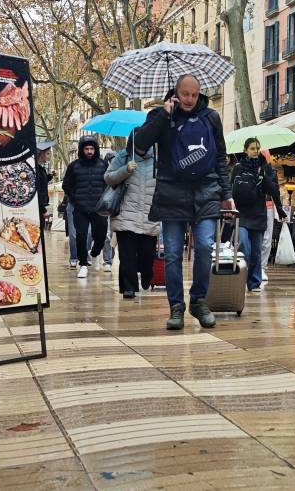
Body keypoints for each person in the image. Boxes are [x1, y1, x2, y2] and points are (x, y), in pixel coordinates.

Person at [134, 74, 233, 330]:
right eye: (185, 94)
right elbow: (139, 146)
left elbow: (220, 158)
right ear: (176, 93)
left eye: (194, 94)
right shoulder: (160, 116)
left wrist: (226, 194)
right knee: (173, 254)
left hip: (206, 192)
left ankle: (198, 301)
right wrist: (162, 116)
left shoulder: (211, 118)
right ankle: (176, 307)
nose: (190, 99)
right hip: (171, 194)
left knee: (205, 246)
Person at [104, 129, 159, 299]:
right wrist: (125, 170)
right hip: (125, 214)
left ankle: (147, 275)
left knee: (147, 256)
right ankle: (129, 287)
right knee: (127, 255)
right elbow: (108, 178)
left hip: (149, 214)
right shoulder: (123, 156)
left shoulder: (158, 158)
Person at [230, 137, 284, 293]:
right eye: (252, 148)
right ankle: (241, 277)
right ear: (245, 150)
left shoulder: (265, 168)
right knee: (243, 246)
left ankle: (254, 282)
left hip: (258, 213)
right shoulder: (238, 168)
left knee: (256, 251)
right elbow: (230, 188)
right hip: (241, 214)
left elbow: (274, 190)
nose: (255, 151)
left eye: (257, 148)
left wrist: (280, 209)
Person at [62, 135, 108, 278]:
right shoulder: (73, 166)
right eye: (86, 149)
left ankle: (94, 253)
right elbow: (66, 185)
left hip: (98, 208)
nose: (89, 151)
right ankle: (83, 264)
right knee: (81, 236)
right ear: (82, 150)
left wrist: (104, 199)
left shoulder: (103, 165)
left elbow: (109, 183)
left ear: (95, 150)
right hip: (80, 209)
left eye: (91, 149)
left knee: (101, 236)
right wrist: (75, 200)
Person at [35, 141, 54, 229]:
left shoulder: (41, 168)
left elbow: (43, 182)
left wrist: (50, 176)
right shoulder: (36, 169)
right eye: (47, 153)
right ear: (41, 154)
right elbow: (37, 192)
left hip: (41, 206)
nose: (49, 156)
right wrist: (43, 210)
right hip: (39, 208)